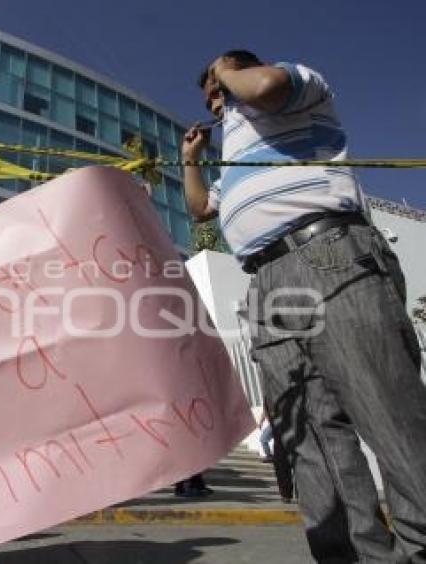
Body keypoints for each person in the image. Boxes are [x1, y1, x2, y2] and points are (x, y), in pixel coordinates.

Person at [182, 49, 426, 562]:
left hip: (327, 255)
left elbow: (265, 86)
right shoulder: (234, 158)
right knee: (309, 437)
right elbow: (202, 207)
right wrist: (192, 160)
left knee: (387, 411)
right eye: (208, 94)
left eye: (217, 88)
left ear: (237, 69)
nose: (213, 99)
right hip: (266, 281)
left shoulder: (296, 92)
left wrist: (222, 70)